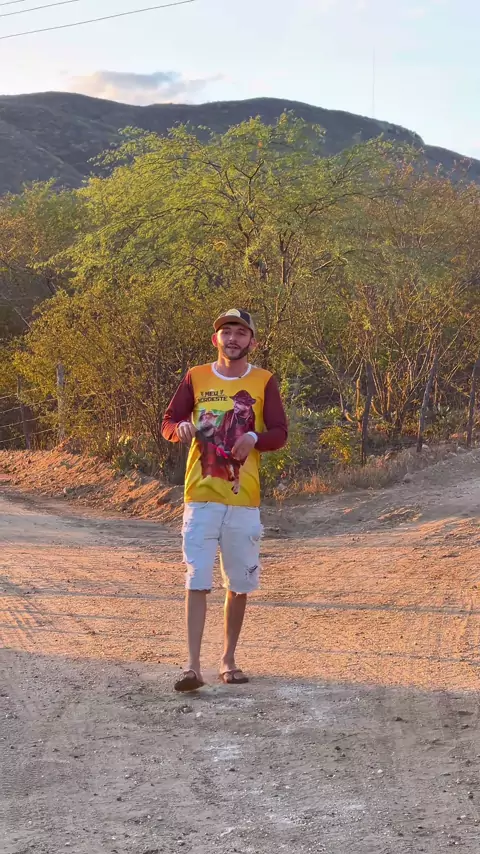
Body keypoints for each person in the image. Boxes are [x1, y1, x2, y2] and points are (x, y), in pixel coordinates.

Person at [161, 308, 288, 691]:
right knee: (197, 579)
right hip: (200, 497)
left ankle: (228, 660)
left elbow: (280, 433)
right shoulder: (196, 376)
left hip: (243, 500)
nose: (233, 338)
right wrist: (180, 429)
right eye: (226, 332)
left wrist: (254, 438)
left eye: (241, 333)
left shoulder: (264, 381)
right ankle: (192, 667)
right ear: (215, 339)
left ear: (253, 342)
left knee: (238, 583)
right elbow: (168, 422)